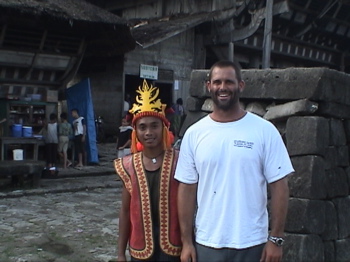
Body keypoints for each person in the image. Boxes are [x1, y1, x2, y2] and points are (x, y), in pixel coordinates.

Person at [175, 60, 294, 262]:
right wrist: (187, 242)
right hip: (207, 242)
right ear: (208, 86)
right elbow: (186, 189)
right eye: (217, 82)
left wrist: (276, 238)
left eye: (229, 82)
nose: (223, 87)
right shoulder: (194, 134)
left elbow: (279, 186)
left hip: (252, 243)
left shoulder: (264, 131)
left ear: (240, 85)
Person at [114, 79, 181, 262]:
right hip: (140, 247)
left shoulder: (180, 161)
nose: (149, 132)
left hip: (175, 246)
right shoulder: (128, 165)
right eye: (142, 127)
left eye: (154, 126)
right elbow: (126, 211)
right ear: (135, 132)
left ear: (164, 128)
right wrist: (120, 253)